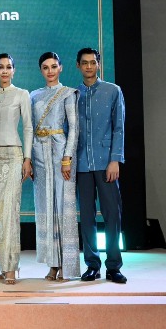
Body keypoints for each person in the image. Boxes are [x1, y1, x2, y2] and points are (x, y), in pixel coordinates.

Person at [75, 48, 127, 284]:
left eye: (92, 62)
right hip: (81, 164)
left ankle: (114, 266)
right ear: (78, 66)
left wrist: (115, 159)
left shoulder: (112, 91)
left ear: (98, 64)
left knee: (112, 215)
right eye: (84, 63)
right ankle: (92, 265)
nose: (89, 66)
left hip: (106, 162)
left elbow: (119, 127)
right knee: (87, 217)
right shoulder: (74, 95)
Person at [0, 54, 33, 285]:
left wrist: (27, 158)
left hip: (14, 155)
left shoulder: (22, 94)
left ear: (14, 70)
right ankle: (3, 265)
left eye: (8, 67)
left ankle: (12, 267)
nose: (4, 71)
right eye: (0, 67)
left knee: (11, 212)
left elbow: (28, 128)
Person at [30, 52, 80, 281]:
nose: (50, 71)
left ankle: (67, 267)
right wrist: (29, 158)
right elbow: (30, 128)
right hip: (39, 153)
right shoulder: (34, 95)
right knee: (46, 207)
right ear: (41, 70)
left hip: (60, 152)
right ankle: (52, 264)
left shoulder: (68, 93)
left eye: (53, 66)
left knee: (62, 206)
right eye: (45, 67)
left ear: (60, 68)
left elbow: (74, 128)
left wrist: (67, 157)